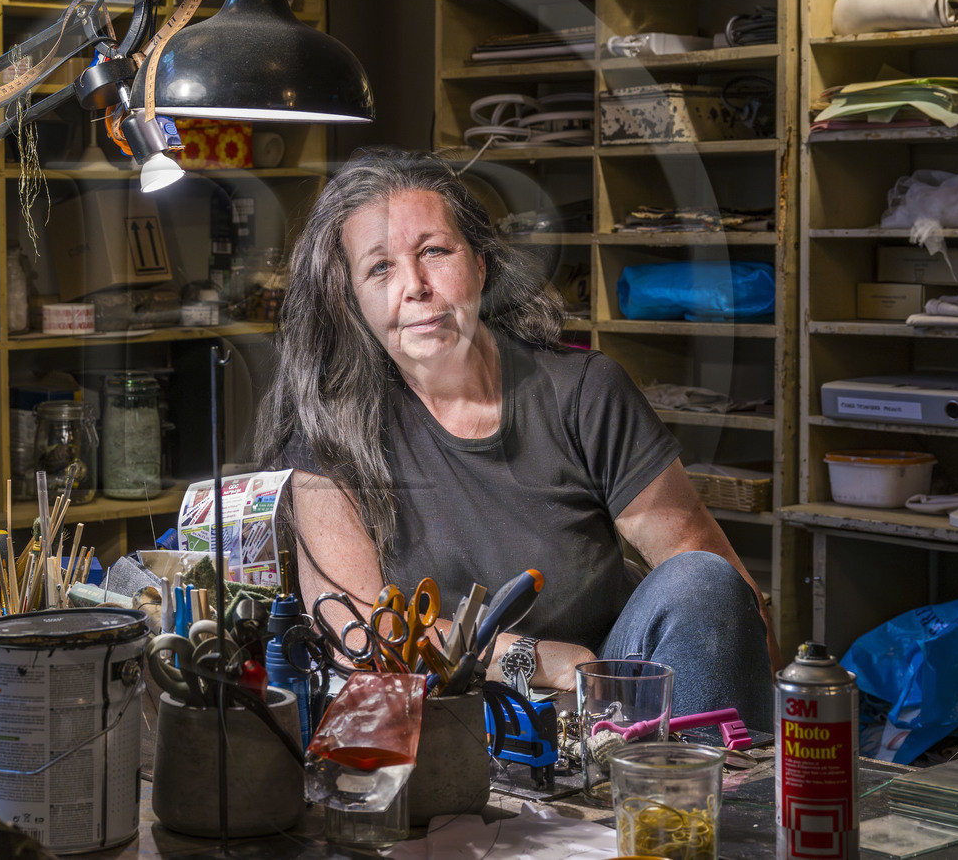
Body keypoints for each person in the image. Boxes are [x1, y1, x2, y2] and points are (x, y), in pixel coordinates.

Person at [255, 148, 776, 726]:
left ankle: (703, 781)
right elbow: (356, 634)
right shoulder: (328, 434)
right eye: (380, 268)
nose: (415, 286)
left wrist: (767, 728)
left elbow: (721, 586)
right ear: (352, 300)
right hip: (447, 720)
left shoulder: (584, 392)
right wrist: (537, 659)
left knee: (703, 582)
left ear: (480, 265)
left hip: (608, 707)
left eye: (434, 251)